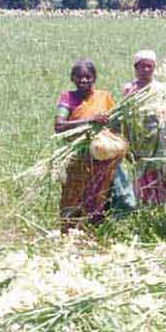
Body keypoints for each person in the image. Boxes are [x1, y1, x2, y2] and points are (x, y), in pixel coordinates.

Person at [54, 60, 117, 232]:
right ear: (73, 79)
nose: (83, 81)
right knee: (73, 192)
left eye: (87, 77)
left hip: (100, 156)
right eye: (79, 77)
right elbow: (59, 126)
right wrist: (91, 120)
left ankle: (93, 232)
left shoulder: (105, 97)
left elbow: (114, 124)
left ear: (94, 78)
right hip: (77, 156)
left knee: (98, 193)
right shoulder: (67, 97)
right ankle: (67, 230)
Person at [123, 50, 166, 207]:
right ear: (135, 68)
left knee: (162, 174)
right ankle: (144, 207)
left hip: (160, 142)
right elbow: (125, 117)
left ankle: (165, 207)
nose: (146, 70)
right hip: (139, 142)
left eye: (149, 66)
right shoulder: (130, 90)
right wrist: (127, 146)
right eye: (142, 66)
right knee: (142, 174)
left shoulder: (161, 89)